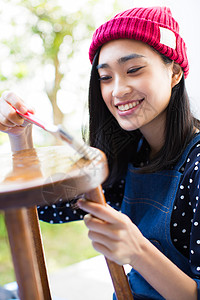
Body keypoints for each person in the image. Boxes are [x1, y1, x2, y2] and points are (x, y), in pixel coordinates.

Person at [0, 6, 200, 300]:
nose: (117, 90)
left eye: (133, 70)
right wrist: (20, 135)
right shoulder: (132, 153)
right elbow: (47, 206)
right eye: (105, 77)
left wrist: (138, 251)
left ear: (174, 72)